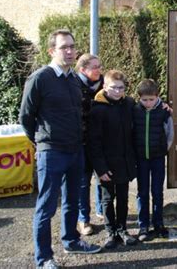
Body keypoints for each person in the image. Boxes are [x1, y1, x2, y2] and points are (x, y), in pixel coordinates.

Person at [19, 29, 102, 269]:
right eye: (64, 47)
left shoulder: (74, 79)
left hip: (76, 150)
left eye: (72, 47)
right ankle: (44, 257)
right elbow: (26, 116)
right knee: (46, 206)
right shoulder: (40, 78)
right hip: (51, 151)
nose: (69, 51)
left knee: (72, 200)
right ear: (51, 51)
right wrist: (41, 141)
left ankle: (71, 240)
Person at [87, 70, 138, 249]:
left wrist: (164, 107)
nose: (117, 91)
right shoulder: (97, 109)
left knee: (123, 197)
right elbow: (94, 142)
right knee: (107, 199)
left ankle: (122, 229)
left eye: (121, 88)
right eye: (113, 88)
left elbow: (148, 108)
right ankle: (110, 232)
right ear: (104, 87)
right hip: (107, 164)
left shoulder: (129, 104)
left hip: (124, 161)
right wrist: (100, 168)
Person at [133, 79, 174, 242]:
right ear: (139, 98)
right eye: (144, 100)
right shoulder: (134, 111)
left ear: (158, 97)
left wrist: (164, 149)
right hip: (141, 158)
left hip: (158, 158)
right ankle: (143, 225)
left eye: (152, 99)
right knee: (142, 192)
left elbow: (170, 133)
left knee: (157, 192)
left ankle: (159, 224)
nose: (148, 103)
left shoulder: (164, 112)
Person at [76, 53, 104, 236]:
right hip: (82, 142)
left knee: (103, 178)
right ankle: (83, 219)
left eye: (100, 66)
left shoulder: (105, 83)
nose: (99, 70)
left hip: (102, 141)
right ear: (83, 70)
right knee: (83, 182)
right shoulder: (73, 86)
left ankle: (102, 210)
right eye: (95, 67)